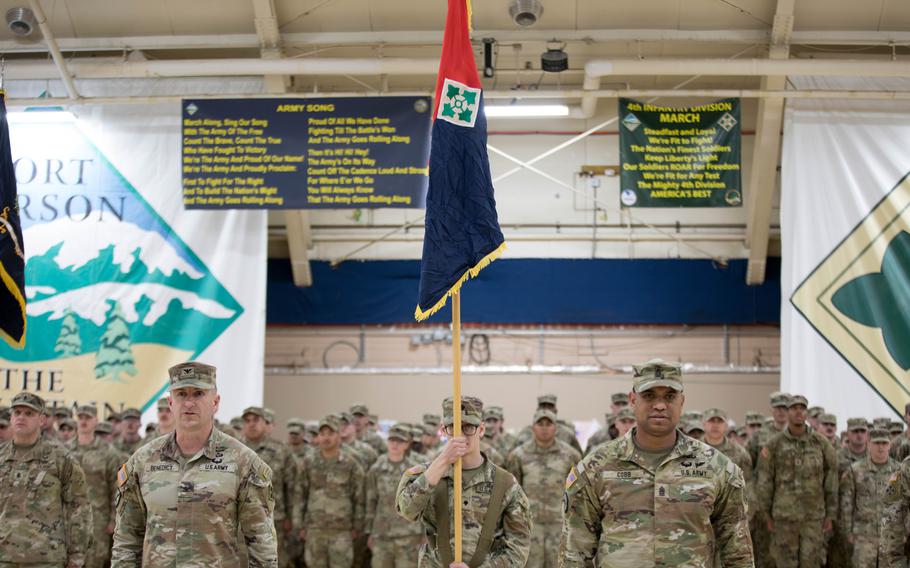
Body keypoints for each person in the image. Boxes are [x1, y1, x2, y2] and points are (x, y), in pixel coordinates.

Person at [560, 359, 753, 567]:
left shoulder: (717, 468)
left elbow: (737, 554)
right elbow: (574, 552)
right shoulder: (596, 467)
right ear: (633, 400)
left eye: (669, 396)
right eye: (649, 395)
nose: (660, 405)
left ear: (682, 402)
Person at [111, 362, 278, 567]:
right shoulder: (143, 461)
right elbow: (127, 540)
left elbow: (262, 546)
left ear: (215, 402)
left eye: (198, 394)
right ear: (171, 403)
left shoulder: (243, 462)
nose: (189, 403)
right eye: (181, 394)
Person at [396, 395, 532, 567]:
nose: (460, 435)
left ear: (481, 429)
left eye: (468, 427)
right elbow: (406, 511)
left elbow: (518, 547)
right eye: (453, 427)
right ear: (443, 430)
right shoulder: (427, 474)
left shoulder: (505, 483)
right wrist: (443, 461)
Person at [0, 392, 93, 566]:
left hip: (46, 558)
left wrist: (76, 557)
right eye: (17, 412)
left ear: (42, 420)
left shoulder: (61, 459)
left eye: (29, 413)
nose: (21, 417)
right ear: (11, 418)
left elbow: (78, 509)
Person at [757, 394, 837, 568]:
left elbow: (831, 478)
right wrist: (766, 513)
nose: (798, 412)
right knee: (785, 563)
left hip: (813, 517)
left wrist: (830, 513)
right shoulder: (774, 444)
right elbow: (765, 480)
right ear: (788, 413)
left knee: (812, 562)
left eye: (802, 409)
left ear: (807, 413)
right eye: (794, 408)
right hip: (784, 518)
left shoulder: (821, 443)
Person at [506, 408, 580, 568]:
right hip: (531, 528)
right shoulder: (518, 455)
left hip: (559, 527)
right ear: (533, 427)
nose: (545, 428)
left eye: (549, 424)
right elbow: (512, 494)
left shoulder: (571, 455)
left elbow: (578, 493)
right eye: (540, 424)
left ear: (556, 428)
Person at [294, 414, 366, 568]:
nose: (326, 438)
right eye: (322, 434)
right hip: (314, 530)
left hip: (342, 532)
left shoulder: (351, 464)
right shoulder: (308, 463)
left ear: (339, 435)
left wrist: (357, 526)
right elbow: (300, 494)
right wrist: (299, 525)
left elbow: (359, 497)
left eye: (331, 433)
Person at [70, 403, 124, 568]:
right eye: (80, 418)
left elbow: (118, 488)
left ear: (96, 421)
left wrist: (114, 520)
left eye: (88, 418)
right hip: (69, 520)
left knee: (96, 561)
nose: (84, 421)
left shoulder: (109, 453)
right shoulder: (64, 451)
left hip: (98, 521)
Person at [242, 406, 297, 568]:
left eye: (256, 420)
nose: (252, 424)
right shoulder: (234, 449)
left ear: (266, 423)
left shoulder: (281, 450)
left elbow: (293, 486)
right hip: (240, 520)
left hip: (274, 520)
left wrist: (291, 518)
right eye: (247, 421)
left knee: (273, 561)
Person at [365, 423, 424, 568]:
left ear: (407, 444)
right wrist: (369, 531)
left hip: (409, 535)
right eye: (392, 440)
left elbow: (424, 502)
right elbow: (371, 501)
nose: (395, 444)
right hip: (382, 535)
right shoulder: (377, 469)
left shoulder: (415, 470)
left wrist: (425, 533)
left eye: (400, 441)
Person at [840, 428, 898, 567]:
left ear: (889, 445)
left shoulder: (899, 471)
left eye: (884, 443)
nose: (880, 448)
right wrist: (848, 531)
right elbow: (847, 503)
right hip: (864, 536)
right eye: (877, 443)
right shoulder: (855, 470)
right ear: (869, 444)